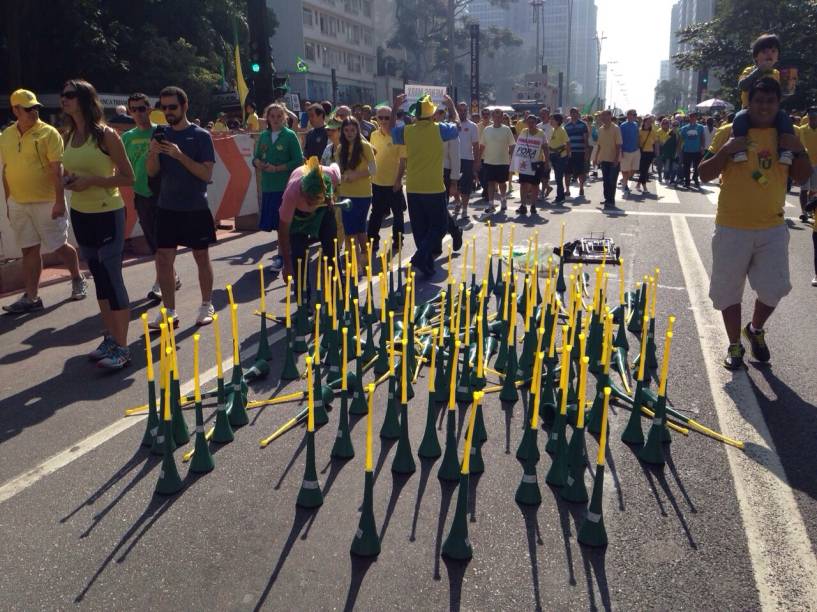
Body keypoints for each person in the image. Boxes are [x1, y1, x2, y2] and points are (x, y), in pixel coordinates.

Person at [698, 77, 811, 369]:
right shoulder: (727, 131)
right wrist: (726, 150)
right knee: (728, 291)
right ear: (749, 102)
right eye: (758, 100)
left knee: (776, 288)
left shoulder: (790, 133)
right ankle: (735, 346)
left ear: (778, 104)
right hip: (731, 226)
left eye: (770, 101)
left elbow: (802, 177)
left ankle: (755, 330)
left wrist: (796, 148)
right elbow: (703, 174)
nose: (764, 106)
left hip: (772, 226)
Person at [61, 79, 135, 369]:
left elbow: (128, 178)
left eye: (69, 95)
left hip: (108, 213)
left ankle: (124, 347)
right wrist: (68, 181)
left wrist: (93, 181)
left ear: (83, 100)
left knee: (112, 275)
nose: (63, 100)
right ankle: (111, 338)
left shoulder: (106, 135)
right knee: (98, 277)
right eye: (62, 95)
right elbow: (69, 170)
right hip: (81, 212)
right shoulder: (68, 136)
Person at [1, 89, 87, 313]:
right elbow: (6, 170)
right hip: (19, 203)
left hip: (47, 201)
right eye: (28, 109)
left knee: (59, 246)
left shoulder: (49, 133)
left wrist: (59, 201)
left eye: (36, 108)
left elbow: (56, 170)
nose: (34, 112)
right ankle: (32, 297)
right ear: (15, 110)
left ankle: (77, 277)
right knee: (29, 250)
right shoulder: (6, 136)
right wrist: (8, 200)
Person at [146, 86, 217, 329]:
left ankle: (207, 304)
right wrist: (153, 154)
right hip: (167, 207)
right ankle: (169, 311)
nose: (168, 112)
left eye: (172, 107)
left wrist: (179, 156)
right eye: (164, 108)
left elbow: (206, 174)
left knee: (201, 255)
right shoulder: (159, 134)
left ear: (185, 106)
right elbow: (151, 172)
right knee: (163, 258)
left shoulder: (200, 136)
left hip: (195, 207)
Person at [389, 93, 460, 277]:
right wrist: (451, 105)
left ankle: (426, 264)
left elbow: (391, 130)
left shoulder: (407, 130)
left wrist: (395, 107)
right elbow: (458, 126)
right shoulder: (440, 129)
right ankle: (420, 258)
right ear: (432, 114)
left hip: (413, 188)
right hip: (434, 188)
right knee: (440, 226)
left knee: (420, 229)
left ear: (416, 115)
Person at [122, 92, 180, 301]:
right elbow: (121, 166)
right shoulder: (126, 138)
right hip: (141, 195)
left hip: (163, 195)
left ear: (149, 109)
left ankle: (161, 280)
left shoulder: (162, 132)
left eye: (141, 108)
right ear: (129, 111)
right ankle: (171, 274)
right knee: (154, 242)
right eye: (133, 109)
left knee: (163, 241)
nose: (138, 113)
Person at [253, 103, 304, 272]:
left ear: (284, 118)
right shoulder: (264, 136)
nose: (275, 119)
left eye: (279, 116)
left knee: (285, 224)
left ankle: (283, 256)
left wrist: (278, 168)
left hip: (286, 186)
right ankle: (285, 255)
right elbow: (256, 157)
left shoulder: (289, 136)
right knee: (277, 224)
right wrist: (258, 163)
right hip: (268, 186)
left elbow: (298, 161)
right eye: (272, 116)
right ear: (267, 117)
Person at [732, 34, 797, 165]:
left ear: (777, 56)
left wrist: (788, 90)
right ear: (756, 56)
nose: (769, 54)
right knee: (739, 118)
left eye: (773, 51)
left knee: (784, 118)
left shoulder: (777, 74)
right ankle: (739, 150)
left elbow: (779, 99)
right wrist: (759, 71)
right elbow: (742, 86)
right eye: (764, 51)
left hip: (771, 114)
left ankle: (785, 150)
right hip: (749, 112)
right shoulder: (750, 70)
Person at [278, 157, 342, 281]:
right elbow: (283, 231)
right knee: (299, 257)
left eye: (314, 201)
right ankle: (303, 295)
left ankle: (339, 292)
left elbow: (335, 166)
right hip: (298, 215)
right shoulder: (291, 193)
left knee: (331, 251)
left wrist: (331, 197)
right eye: (309, 201)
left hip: (323, 209)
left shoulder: (332, 175)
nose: (311, 205)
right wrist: (287, 265)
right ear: (303, 192)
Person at [367, 105, 406, 254]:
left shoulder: (399, 136)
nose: (383, 120)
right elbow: (372, 157)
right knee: (376, 213)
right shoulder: (374, 135)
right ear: (376, 118)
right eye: (380, 117)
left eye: (386, 118)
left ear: (393, 118)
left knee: (397, 214)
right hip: (377, 183)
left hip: (393, 183)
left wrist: (398, 181)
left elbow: (403, 161)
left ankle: (398, 239)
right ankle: (372, 240)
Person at [335, 117, 376, 256]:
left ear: (357, 130)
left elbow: (373, 169)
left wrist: (356, 175)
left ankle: (363, 258)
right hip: (346, 194)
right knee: (350, 230)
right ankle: (356, 262)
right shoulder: (340, 148)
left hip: (363, 194)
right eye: (346, 130)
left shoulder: (365, 146)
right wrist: (340, 176)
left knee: (359, 230)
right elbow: (338, 170)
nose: (349, 133)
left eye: (352, 130)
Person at [478, 108, 517, 213]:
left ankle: (503, 200)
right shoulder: (487, 129)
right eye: (495, 116)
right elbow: (481, 146)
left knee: (502, 183)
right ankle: (491, 204)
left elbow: (512, 145)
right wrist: (477, 160)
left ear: (502, 117)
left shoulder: (507, 129)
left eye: (499, 116)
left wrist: (512, 159)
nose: (497, 118)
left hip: (503, 161)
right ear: (492, 117)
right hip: (489, 161)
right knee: (490, 183)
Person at [513, 113, 548, 215]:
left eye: (533, 122)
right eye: (528, 122)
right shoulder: (524, 132)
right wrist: (515, 160)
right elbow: (519, 146)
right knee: (523, 184)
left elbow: (545, 148)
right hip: (524, 163)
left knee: (535, 185)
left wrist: (546, 162)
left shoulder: (541, 133)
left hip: (536, 163)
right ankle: (523, 205)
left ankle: (533, 205)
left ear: (536, 123)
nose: (530, 124)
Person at [453, 101, 480, 219]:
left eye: (465, 110)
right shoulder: (451, 125)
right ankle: (457, 201)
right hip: (453, 160)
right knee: (453, 185)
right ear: (456, 111)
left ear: (467, 112)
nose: (462, 113)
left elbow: (476, 146)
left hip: (467, 160)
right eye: (460, 110)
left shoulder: (472, 126)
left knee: (466, 186)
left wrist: (477, 162)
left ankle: (464, 209)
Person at [593, 109, 622, 209]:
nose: (603, 118)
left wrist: (616, 159)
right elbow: (599, 145)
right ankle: (607, 199)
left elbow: (618, 146)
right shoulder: (600, 129)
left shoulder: (616, 128)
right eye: (602, 116)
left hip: (614, 160)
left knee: (612, 181)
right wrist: (596, 157)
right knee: (605, 181)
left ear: (610, 116)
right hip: (604, 159)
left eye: (605, 116)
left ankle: (611, 201)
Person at [797, 106, 817, 224]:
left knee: (813, 190)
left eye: (815, 117)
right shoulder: (802, 129)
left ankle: (809, 209)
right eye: (810, 117)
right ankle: (804, 212)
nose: (812, 119)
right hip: (804, 164)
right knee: (804, 189)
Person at [564, 107, 589, 199]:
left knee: (581, 172)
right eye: (572, 113)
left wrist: (586, 151)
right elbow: (565, 141)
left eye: (575, 113)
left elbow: (585, 139)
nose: (574, 114)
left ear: (578, 114)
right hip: (570, 152)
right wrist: (567, 152)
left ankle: (581, 187)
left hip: (580, 151)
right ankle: (567, 190)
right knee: (567, 172)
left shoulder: (583, 125)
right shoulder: (566, 126)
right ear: (570, 114)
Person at [548, 113, 570, 204]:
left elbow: (567, 143)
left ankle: (560, 197)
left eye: (552, 119)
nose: (550, 121)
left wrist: (567, 156)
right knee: (557, 178)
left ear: (557, 121)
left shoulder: (561, 130)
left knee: (559, 177)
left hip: (560, 157)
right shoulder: (553, 130)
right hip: (553, 156)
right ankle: (560, 196)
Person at [680, 112, 705, 189]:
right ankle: (687, 181)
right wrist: (679, 150)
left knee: (697, 167)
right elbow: (681, 140)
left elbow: (702, 138)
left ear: (696, 118)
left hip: (697, 151)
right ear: (689, 118)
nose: (693, 118)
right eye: (691, 117)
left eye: (694, 117)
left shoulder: (701, 127)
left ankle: (695, 178)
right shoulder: (684, 128)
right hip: (687, 150)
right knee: (686, 167)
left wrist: (702, 147)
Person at [619, 109, 640, 196]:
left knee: (634, 169)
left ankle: (624, 180)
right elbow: (620, 139)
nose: (635, 116)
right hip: (626, 151)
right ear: (628, 115)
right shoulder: (622, 126)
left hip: (635, 150)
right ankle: (625, 184)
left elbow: (637, 136)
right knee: (625, 170)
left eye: (635, 114)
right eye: (633, 114)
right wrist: (621, 150)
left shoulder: (636, 125)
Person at [636, 115, 658, 193]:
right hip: (642, 152)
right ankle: (643, 186)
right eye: (647, 121)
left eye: (650, 121)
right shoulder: (639, 131)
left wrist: (656, 154)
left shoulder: (653, 131)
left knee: (645, 170)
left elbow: (655, 143)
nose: (649, 123)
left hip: (650, 152)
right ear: (644, 122)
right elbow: (637, 143)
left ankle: (639, 184)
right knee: (643, 170)